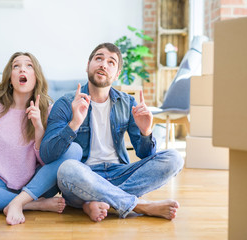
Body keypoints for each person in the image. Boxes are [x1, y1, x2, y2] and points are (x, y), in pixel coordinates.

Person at [40, 43, 184, 222]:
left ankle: (94, 201)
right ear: (88, 65)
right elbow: (47, 154)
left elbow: (144, 155)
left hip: (120, 172)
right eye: (99, 58)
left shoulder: (127, 102)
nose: (103, 64)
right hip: (84, 175)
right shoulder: (66, 103)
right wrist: (74, 123)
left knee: (174, 158)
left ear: (117, 74)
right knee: (67, 170)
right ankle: (138, 205)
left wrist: (146, 131)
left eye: (111, 62)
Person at [0, 52, 82, 225]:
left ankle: (22, 200)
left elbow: (46, 160)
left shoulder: (48, 112)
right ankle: (31, 204)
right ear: (10, 78)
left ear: (36, 77)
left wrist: (38, 127)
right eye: (16, 66)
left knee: (73, 150)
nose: (22, 69)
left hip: (36, 184)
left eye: (29, 66)